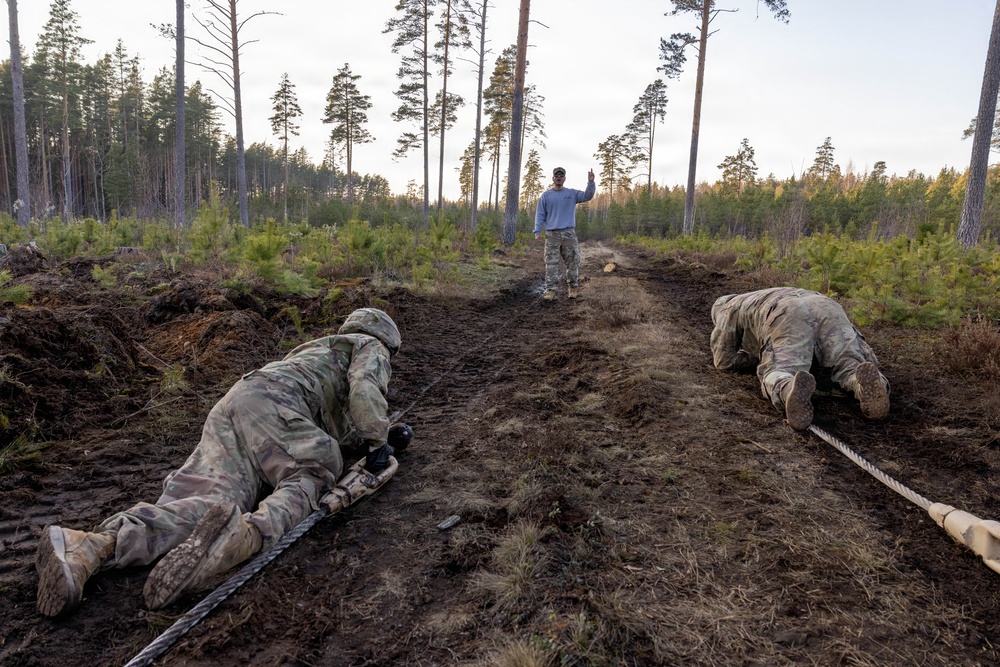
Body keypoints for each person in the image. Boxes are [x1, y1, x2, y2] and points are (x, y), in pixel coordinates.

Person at [35, 307, 412, 617]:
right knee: (315, 470)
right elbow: (365, 388)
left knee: (210, 499)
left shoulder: (316, 350)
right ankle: (242, 537)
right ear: (387, 343)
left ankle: (91, 546)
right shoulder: (370, 346)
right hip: (278, 407)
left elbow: (330, 416)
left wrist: (368, 435)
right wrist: (378, 443)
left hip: (239, 401)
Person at [710, 287, 890, 430]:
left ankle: (787, 387)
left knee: (781, 368)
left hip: (787, 311)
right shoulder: (758, 295)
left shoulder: (726, 309)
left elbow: (724, 360)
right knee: (850, 363)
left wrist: (759, 359)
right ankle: (860, 383)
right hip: (826, 305)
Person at [534, 166, 596, 301]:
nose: (559, 177)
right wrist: (537, 231)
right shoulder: (546, 196)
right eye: (556, 175)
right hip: (552, 235)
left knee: (573, 261)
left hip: (568, 234)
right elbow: (540, 214)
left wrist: (590, 182)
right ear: (553, 178)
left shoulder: (571, 193)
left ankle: (573, 288)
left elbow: (587, 196)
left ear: (564, 178)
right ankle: (551, 291)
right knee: (551, 264)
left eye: (561, 175)